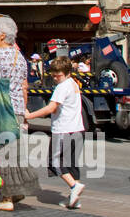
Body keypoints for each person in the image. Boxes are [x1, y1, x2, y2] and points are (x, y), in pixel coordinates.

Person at [0, 14, 39, 211]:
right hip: (18, 109)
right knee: (17, 153)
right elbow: (24, 86)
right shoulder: (20, 57)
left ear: (2, 35)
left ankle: (7, 198)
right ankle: (18, 190)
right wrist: (24, 110)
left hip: (2, 110)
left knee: (3, 153)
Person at [24, 56, 86, 208]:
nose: (55, 77)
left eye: (57, 74)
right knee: (71, 164)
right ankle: (74, 198)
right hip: (78, 129)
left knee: (54, 162)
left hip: (63, 130)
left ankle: (74, 187)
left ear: (66, 72)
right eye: (53, 74)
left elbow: (51, 108)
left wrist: (29, 115)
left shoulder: (62, 87)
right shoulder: (73, 84)